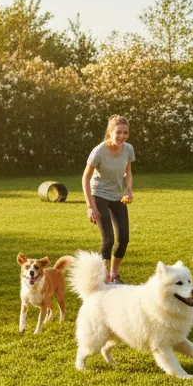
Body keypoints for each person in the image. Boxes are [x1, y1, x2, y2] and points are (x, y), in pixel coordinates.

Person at [82, 115, 135, 284]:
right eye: (118, 132)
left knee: (124, 238)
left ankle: (114, 274)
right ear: (110, 132)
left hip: (117, 196)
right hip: (99, 194)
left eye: (125, 132)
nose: (122, 136)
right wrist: (90, 206)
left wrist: (128, 191)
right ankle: (102, 276)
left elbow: (128, 171)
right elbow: (85, 178)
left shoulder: (128, 149)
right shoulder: (99, 151)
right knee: (108, 239)